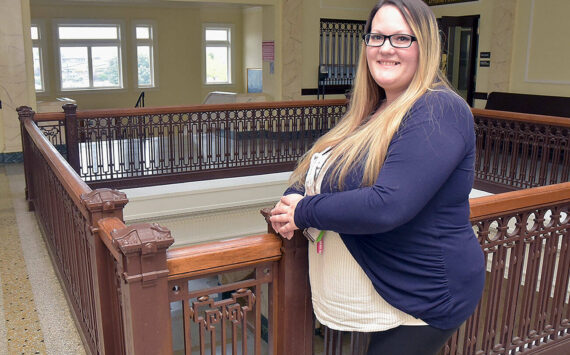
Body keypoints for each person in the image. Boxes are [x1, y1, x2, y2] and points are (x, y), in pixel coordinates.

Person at [269, 0, 486, 354]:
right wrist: (294, 193)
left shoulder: (438, 109)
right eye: (377, 37)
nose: (385, 48)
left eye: (402, 38)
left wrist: (303, 211)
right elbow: (327, 164)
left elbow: (388, 205)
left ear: (426, 46)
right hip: (387, 281)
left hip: (428, 292)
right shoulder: (372, 108)